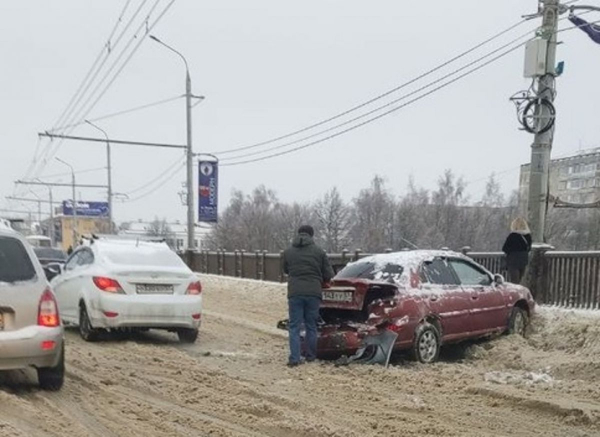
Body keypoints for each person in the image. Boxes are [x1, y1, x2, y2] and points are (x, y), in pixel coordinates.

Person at [283, 225, 334, 367]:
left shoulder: (288, 252)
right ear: (312, 235)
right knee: (311, 325)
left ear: (298, 234)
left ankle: (294, 358)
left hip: (295, 292)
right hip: (313, 292)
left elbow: (286, 269)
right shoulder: (319, 252)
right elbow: (328, 274)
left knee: (294, 326)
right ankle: (311, 356)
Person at [502, 217, 532, 284]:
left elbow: (505, 248)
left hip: (513, 260)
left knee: (514, 280)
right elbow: (529, 248)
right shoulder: (528, 236)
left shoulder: (512, 236)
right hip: (523, 260)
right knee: (520, 279)